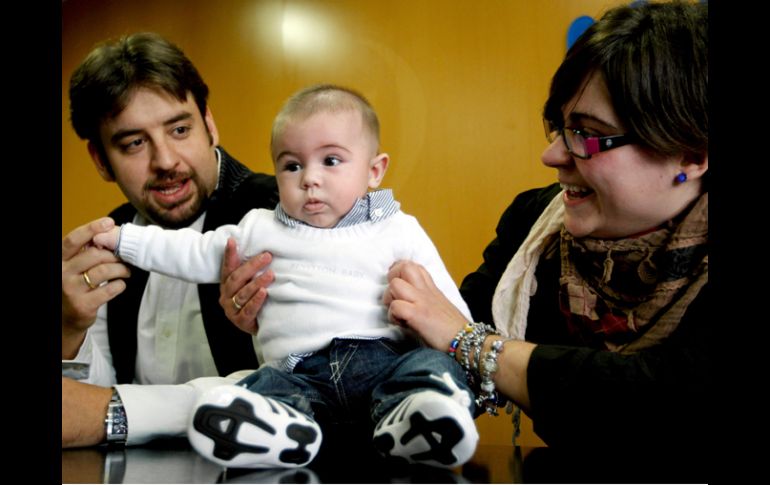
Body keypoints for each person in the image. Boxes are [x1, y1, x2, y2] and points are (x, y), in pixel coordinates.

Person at [381, 1, 708, 481]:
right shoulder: (535, 223)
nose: (551, 154)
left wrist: (473, 344)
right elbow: (439, 328)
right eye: (560, 126)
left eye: (588, 135)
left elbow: (669, 403)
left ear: (690, 154)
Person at [93, 84, 480, 469]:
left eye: (330, 161)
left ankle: (420, 416)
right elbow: (189, 251)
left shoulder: (398, 229)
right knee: (261, 386)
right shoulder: (259, 229)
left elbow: (446, 310)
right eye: (292, 165)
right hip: (301, 373)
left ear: (374, 170)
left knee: (429, 366)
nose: (309, 178)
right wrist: (122, 238)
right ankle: (278, 430)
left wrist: (460, 348)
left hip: (385, 361)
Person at [61, 32, 279, 448]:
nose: (165, 161)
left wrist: (119, 413)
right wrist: (69, 329)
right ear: (100, 160)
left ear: (209, 124)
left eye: (179, 129)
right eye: (134, 143)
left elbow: (320, 384)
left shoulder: (281, 215)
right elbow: (79, 409)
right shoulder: (106, 243)